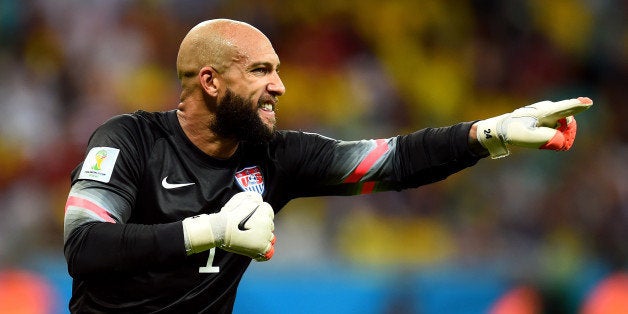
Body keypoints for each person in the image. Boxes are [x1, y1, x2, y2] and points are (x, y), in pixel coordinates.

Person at [63, 18, 593, 313]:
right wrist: (210, 231)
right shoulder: (128, 140)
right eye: (261, 71)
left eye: (278, 70)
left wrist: (488, 134)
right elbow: (84, 246)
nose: (280, 85)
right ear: (210, 81)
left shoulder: (279, 157)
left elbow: (392, 160)